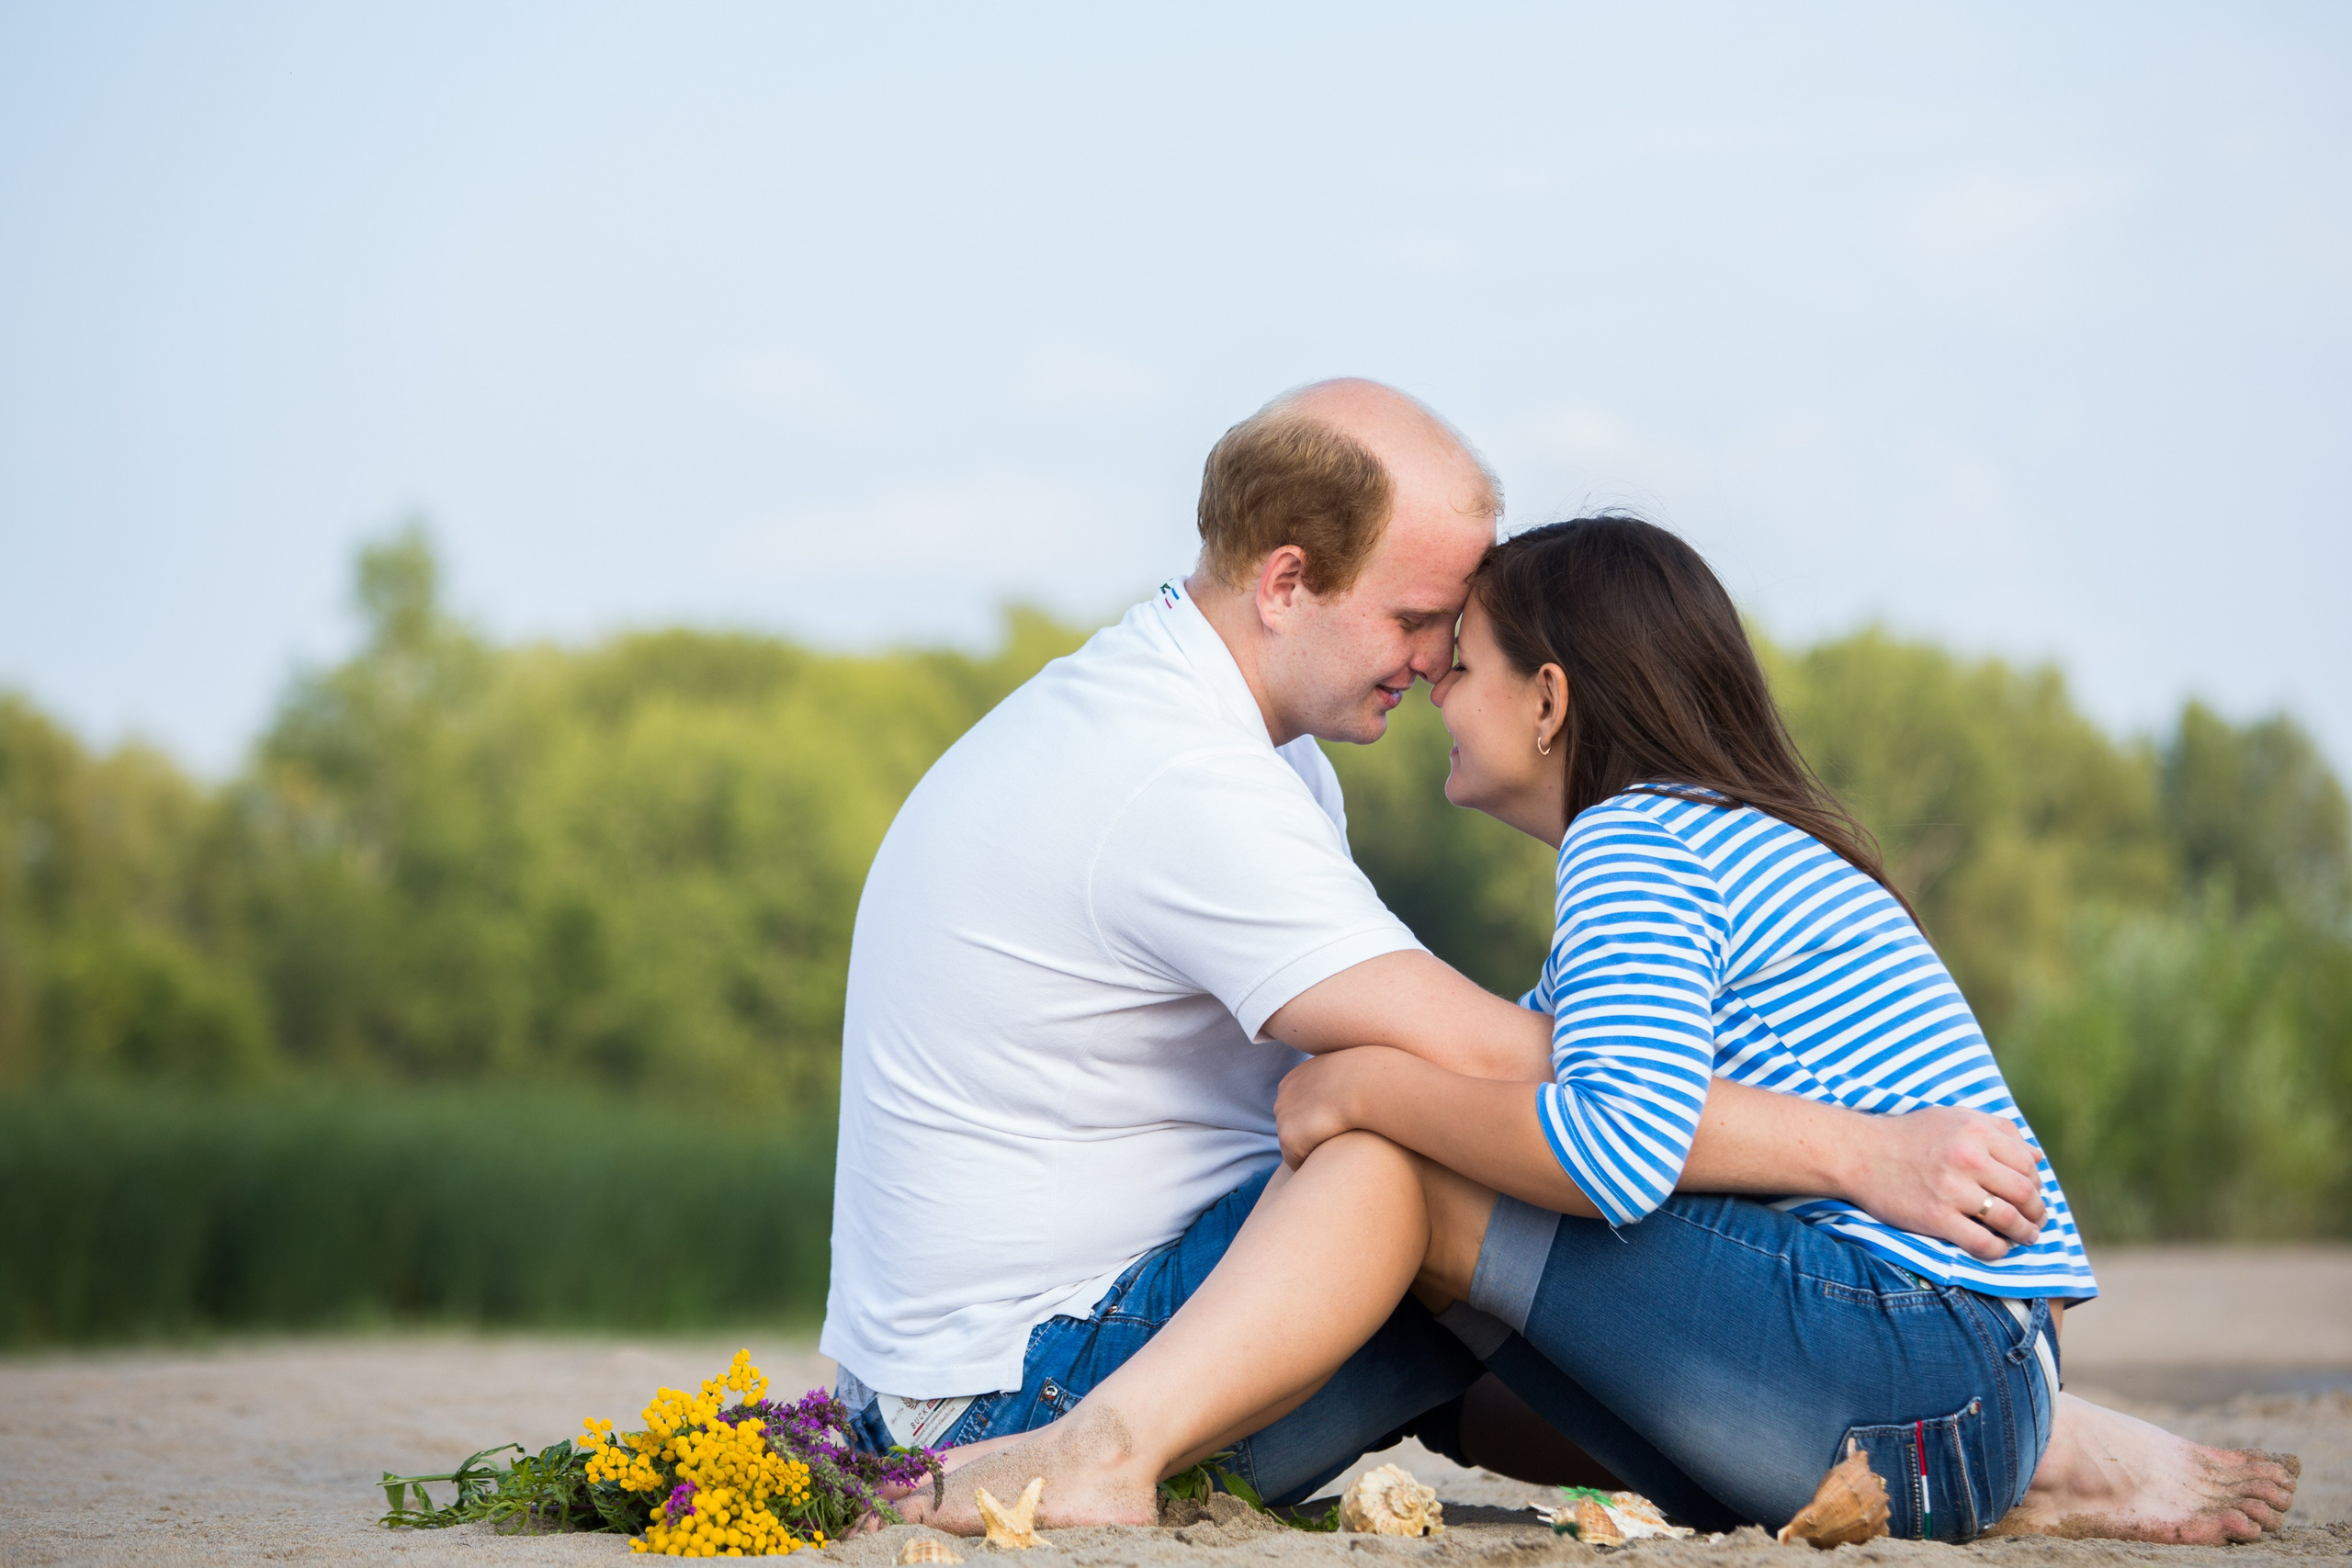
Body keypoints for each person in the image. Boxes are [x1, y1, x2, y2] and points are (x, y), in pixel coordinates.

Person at [897, 513, 2301, 1544]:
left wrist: (1361, 1095)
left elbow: (1605, 1148)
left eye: (1465, 667)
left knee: (1413, 1179)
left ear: (1552, 698)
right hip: (1951, 1392)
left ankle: (1105, 1447)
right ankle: (2055, 1462)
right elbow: (1560, 1084)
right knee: (1438, 1278)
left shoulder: (1634, 840)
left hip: (1914, 1366)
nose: (1436, 690)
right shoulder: (1702, 846)